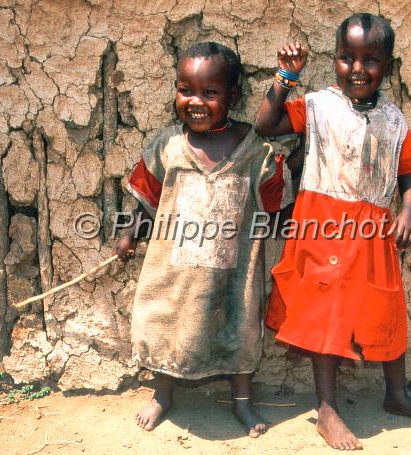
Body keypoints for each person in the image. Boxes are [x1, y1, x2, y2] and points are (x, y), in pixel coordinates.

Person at [255, 13, 411, 451]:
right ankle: (327, 408)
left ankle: (396, 395)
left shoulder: (395, 122)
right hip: (321, 225)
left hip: (373, 232)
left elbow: (410, 173)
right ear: (335, 59)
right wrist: (286, 78)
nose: (357, 69)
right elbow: (268, 123)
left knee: (386, 308)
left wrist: (409, 213)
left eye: (370, 60)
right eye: (346, 58)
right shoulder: (318, 106)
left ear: (388, 67)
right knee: (327, 317)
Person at [115, 41, 292, 438]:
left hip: (234, 273)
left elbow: (277, 204)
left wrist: (294, 167)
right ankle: (163, 394)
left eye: (209, 93)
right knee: (166, 327)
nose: (196, 101)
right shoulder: (167, 146)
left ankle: (242, 402)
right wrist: (130, 233)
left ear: (233, 95)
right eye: (186, 90)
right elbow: (147, 200)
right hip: (172, 272)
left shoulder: (255, 151)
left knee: (239, 331)